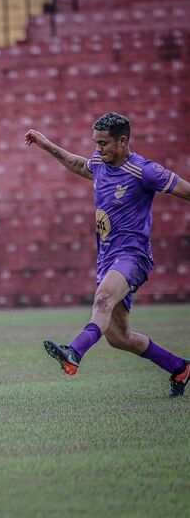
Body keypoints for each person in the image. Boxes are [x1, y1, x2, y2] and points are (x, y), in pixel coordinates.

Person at [25, 112, 190, 397]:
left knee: (102, 300)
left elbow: (186, 190)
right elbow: (78, 163)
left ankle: (74, 352)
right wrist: (46, 145)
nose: (97, 149)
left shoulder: (145, 171)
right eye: (95, 143)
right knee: (118, 337)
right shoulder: (100, 163)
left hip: (133, 255)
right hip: (107, 259)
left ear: (122, 141)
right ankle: (179, 367)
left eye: (103, 143)